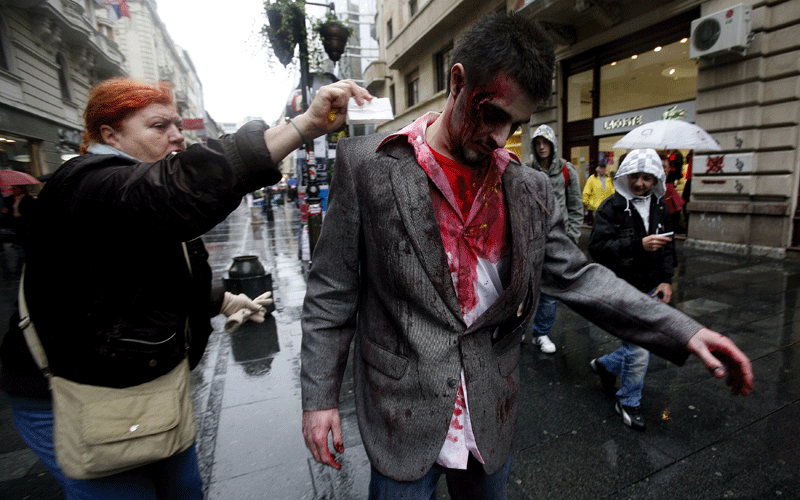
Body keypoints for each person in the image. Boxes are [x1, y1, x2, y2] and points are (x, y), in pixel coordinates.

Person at [300, 12, 753, 500]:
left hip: (489, 414)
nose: (501, 138)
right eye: (493, 114)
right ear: (457, 82)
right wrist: (321, 397)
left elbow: (580, 277)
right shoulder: (368, 167)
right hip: (400, 416)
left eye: (515, 123)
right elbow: (332, 291)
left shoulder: (527, 188)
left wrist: (684, 331)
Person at [0, 76, 371, 499]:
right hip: (73, 397)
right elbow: (181, 187)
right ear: (109, 134)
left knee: (185, 489)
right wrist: (303, 126)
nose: (177, 136)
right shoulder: (90, 184)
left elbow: (150, 275)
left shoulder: (128, 186)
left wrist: (224, 299)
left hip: (145, 392)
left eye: (177, 124)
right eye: (159, 126)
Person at [588, 148, 676, 431]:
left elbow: (668, 247)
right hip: (621, 288)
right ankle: (628, 401)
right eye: (635, 176)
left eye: (647, 178)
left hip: (650, 287)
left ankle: (605, 365)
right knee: (639, 350)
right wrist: (638, 245)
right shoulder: (610, 207)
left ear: (655, 179)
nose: (640, 183)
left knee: (639, 346)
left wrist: (666, 280)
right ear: (625, 176)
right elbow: (598, 249)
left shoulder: (661, 207)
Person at [525, 124, 582, 353]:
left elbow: (576, 206)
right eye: (537, 142)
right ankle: (517, 331)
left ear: (553, 145)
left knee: (550, 292)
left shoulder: (567, 171)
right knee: (524, 289)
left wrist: (573, 236)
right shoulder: (526, 169)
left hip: (557, 240)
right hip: (530, 240)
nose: (541, 147)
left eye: (545, 142)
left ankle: (541, 333)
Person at [582, 161, 615, 226]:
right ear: (598, 169)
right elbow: (587, 190)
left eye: (604, 168)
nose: (603, 170)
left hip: (606, 206)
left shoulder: (608, 179)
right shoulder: (592, 179)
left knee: (605, 223)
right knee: (599, 223)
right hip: (595, 206)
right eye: (601, 168)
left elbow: (612, 191)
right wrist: (585, 201)